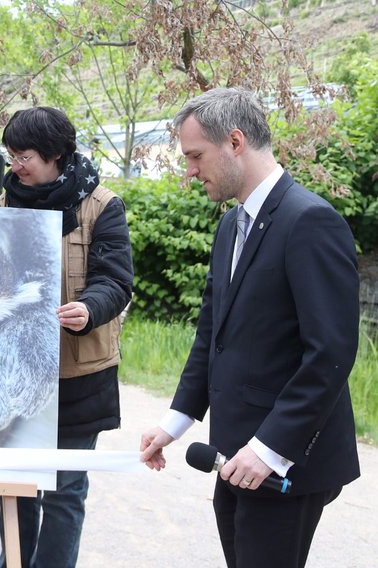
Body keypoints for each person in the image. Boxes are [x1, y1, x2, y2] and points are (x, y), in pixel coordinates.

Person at [139, 88, 360, 568]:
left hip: (284, 464)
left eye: (196, 155)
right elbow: (212, 335)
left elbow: (331, 353)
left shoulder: (311, 220)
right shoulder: (230, 226)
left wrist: (270, 449)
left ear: (235, 141)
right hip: (233, 457)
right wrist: (174, 424)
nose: (191, 170)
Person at [0, 107, 134, 568]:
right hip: (19, 375)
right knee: (15, 489)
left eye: (26, 155)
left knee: (65, 491)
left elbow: (115, 281)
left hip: (80, 375)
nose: (16, 165)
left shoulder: (103, 205)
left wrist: (88, 309)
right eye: (11, 155)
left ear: (56, 154)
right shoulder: (4, 203)